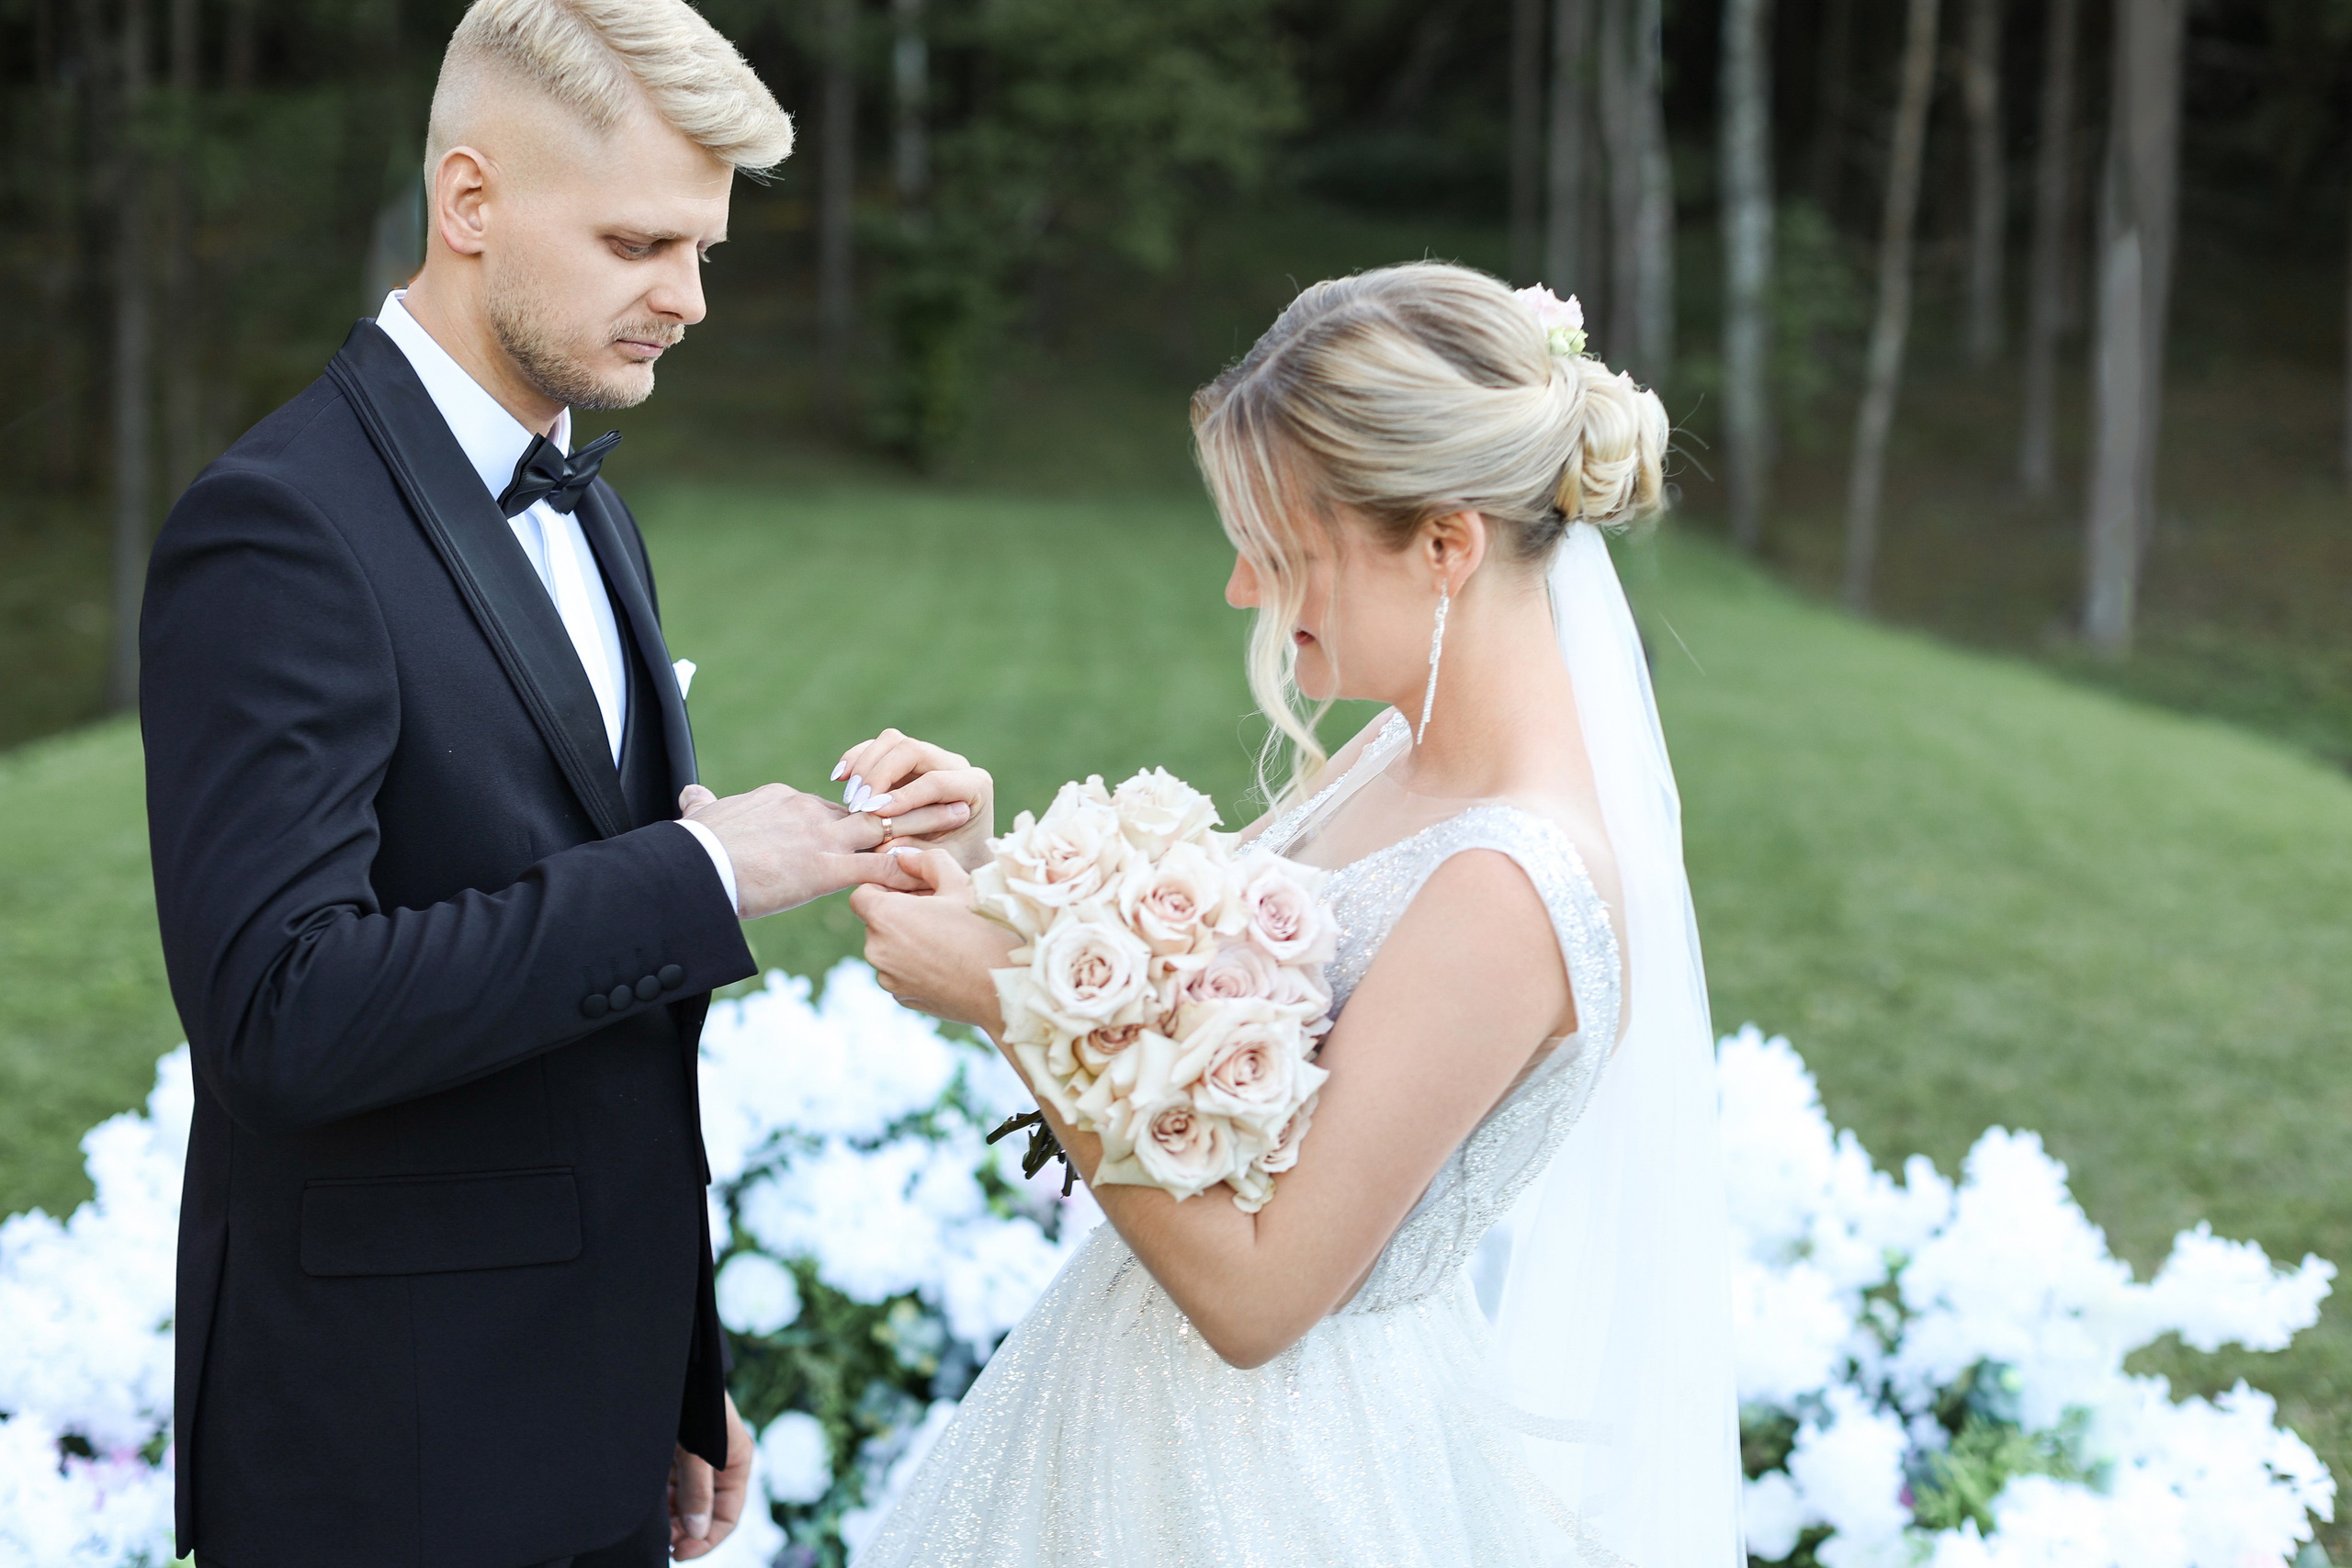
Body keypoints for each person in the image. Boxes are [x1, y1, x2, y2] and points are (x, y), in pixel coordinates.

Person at [139, 3, 941, 1562]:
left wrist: (672, 1373)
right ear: (470, 201)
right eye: (642, 241)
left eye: (704, 248)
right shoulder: (277, 528)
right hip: (392, 1458)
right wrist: (703, 878)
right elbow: (278, 1015)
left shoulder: (590, 504)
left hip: (588, 1413)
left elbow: (593, 1013)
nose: (689, 299)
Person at [844, 262, 1744, 1564]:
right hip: (1134, 1403)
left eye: (1281, 551)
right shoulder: (1392, 754)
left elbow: (1263, 1293)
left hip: (1278, 1471)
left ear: (1447, 545)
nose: (1241, 593)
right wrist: (996, 885)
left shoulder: (1513, 884)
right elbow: (1198, 1031)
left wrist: (1011, 1001)